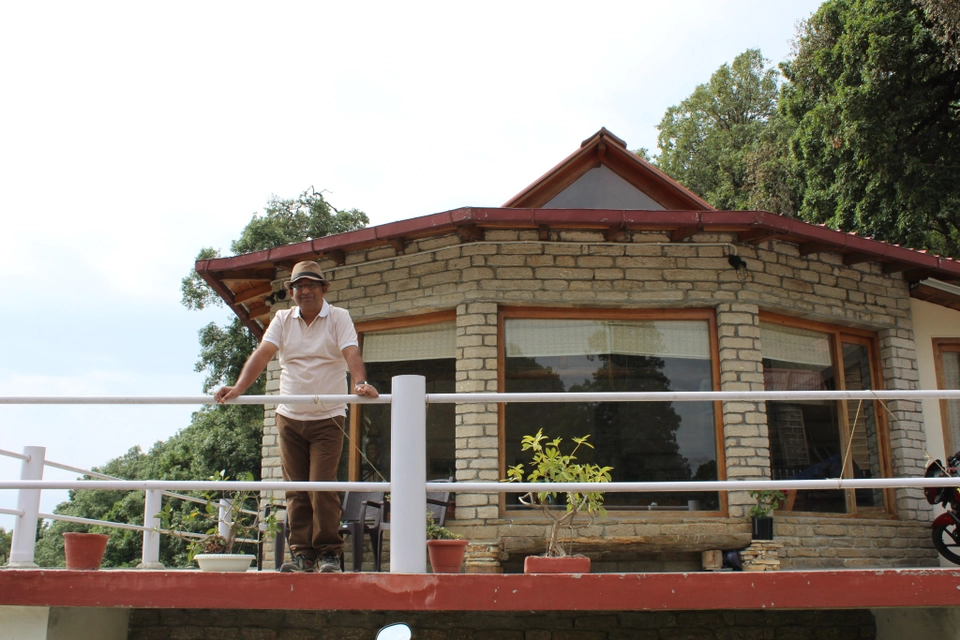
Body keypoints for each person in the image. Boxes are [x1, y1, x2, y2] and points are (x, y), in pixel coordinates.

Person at [215, 260, 378, 573]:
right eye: (299, 286)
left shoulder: (339, 317)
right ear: (291, 292)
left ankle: (329, 553)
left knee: (321, 486)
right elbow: (263, 353)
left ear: (323, 289)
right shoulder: (282, 319)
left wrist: (360, 382)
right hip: (289, 416)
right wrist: (238, 388)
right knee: (296, 488)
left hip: (328, 416)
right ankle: (302, 555)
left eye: (311, 285)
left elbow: (351, 353)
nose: (305, 291)